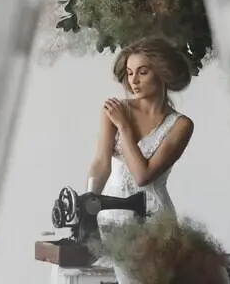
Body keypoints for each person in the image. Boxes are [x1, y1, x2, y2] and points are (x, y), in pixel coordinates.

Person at [85, 37, 197, 281]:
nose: (133, 81)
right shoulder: (114, 111)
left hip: (155, 221)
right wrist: (86, 202)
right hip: (110, 219)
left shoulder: (181, 125)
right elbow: (102, 163)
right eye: (130, 72)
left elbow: (143, 176)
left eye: (142, 72)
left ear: (162, 73)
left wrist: (124, 128)